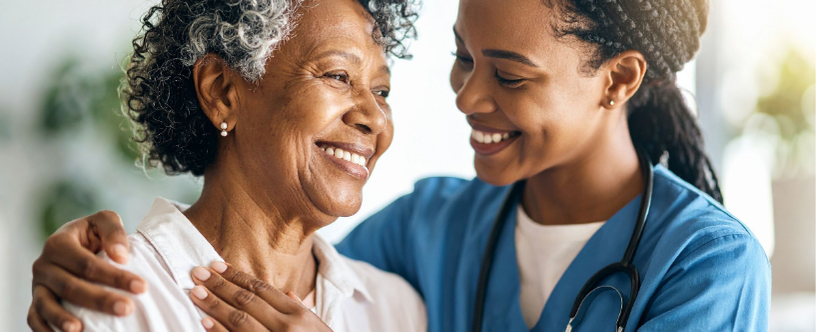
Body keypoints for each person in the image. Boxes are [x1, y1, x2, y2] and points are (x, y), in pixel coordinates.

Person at [29, 0, 771, 331]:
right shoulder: (429, 234)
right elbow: (285, 254)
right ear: (222, 89)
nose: (467, 96)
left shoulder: (706, 264)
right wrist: (78, 256)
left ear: (617, 81)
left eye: (509, 76)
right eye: (460, 57)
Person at [27, 0, 428, 331]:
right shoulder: (112, 298)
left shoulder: (397, 310)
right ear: (221, 91)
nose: (375, 118)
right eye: (338, 76)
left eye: (381, 91)